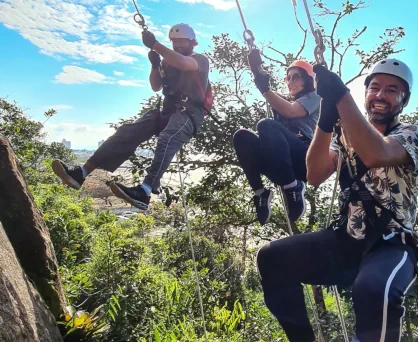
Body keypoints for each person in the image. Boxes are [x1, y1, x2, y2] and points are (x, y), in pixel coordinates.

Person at [251, 58, 418, 342]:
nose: (381, 96)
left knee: (375, 290)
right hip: (346, 240)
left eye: (392, 90)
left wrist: (341, 98)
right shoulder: (349, 129)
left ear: (402, 100)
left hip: (391, 244)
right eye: (375, 88)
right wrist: (326, 123)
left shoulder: (411, 135)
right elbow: (313, 173)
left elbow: (377, 154)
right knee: (272, 259)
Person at [52, 23, 210, 211]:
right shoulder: (168, 62)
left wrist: (155, 45)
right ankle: (82, 172)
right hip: (167, 112)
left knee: (167, 140)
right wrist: (155, 65)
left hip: (189, 115)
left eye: (182, 41)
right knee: (127, 132)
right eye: (174, 42)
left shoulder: (200, 60)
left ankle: (145, 190)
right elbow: (156, 86)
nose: (177, 45)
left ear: (192, 42)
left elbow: (184, 64)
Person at [233, 52, 321, 224]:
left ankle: (293, 190)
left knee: (266, 125)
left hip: (302, 159)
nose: (291, 81)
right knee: (241, 136)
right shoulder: (285, 99)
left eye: (296, 77)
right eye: (288, 78)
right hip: (281, 163)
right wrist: (258, 73)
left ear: (308, 80)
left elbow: (291, 110)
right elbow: (275, 98)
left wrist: (265, 90)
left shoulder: (314, 97)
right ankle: (260, 193)